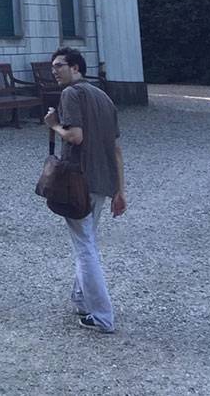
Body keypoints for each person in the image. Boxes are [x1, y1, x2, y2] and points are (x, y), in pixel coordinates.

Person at [43, 46, 126, 333]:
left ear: (76, 68)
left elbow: (75, 137)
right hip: (102, 183)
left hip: (79, 181)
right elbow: (116, 148)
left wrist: (53, 125)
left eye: (59, 65)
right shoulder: (104, 96)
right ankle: (81, 300)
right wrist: (119, 189)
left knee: (85, 248)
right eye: (53, 66)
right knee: (87, 241)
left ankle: (102, 316)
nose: (54, 70)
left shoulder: (71, 94)